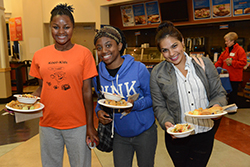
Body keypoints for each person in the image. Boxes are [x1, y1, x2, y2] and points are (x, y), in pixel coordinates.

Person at [150, 21, 227, 167]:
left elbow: (219, 92)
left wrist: (215, 107)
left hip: (205, 132)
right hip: (177, 135)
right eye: (165, 50)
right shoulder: (157, 73)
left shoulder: (204, 63)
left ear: (183, 42)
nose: (172, 54)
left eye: (174, 46)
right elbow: (159, 106)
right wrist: (167, 123)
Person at [29, 4, 98, 167]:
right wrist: (22, 103)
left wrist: (90, 125)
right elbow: (41, 88)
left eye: (66, 27)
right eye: (56, 27)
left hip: (77, 125)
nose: (61, 32)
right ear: (50, 28)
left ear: (73, 27)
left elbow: (87, 92)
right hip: (48, 124)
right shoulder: (39, 55)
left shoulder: (84, 54)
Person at [92, 25, 157, 167]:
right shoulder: (97, 74)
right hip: (119, 134)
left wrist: (134, 105)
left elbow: (152, 98)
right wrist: (98, 112)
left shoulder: (139, 69)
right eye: (99, 48)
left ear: (120, 45)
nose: (104, 51)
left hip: (144, 132)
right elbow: (101, 100)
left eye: (108, 45)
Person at [215, 32, 247, 105]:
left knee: (233, 95)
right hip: (225, 77)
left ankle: (232, 109)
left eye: (227, 41)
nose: (225, 43)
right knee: (224, 93)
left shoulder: (239, 50)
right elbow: (219, 62)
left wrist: (232, 62)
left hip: (235, 77)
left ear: (232, 41)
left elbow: (243, 63)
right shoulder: (225, 51)